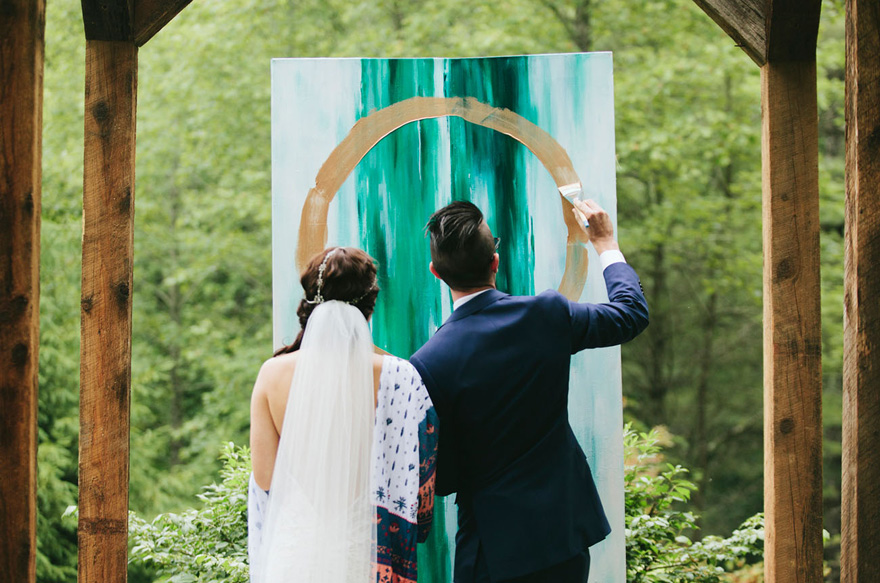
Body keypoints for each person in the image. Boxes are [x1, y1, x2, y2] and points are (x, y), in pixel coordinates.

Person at [410, 199, 649, 583]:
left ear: (435, 272)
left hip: (492, 549)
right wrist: (605, 244)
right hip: (564, 537)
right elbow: (630, 314)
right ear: (495, 262)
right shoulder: (548, 314)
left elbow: (441, 477)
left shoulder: (426, 363)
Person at [247, 247, 439, 583]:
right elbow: (420, 475)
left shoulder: (272, 374)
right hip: (365, 553)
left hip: (294, 552)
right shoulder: (400, 376)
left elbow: (264, 480)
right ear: (370, 308)